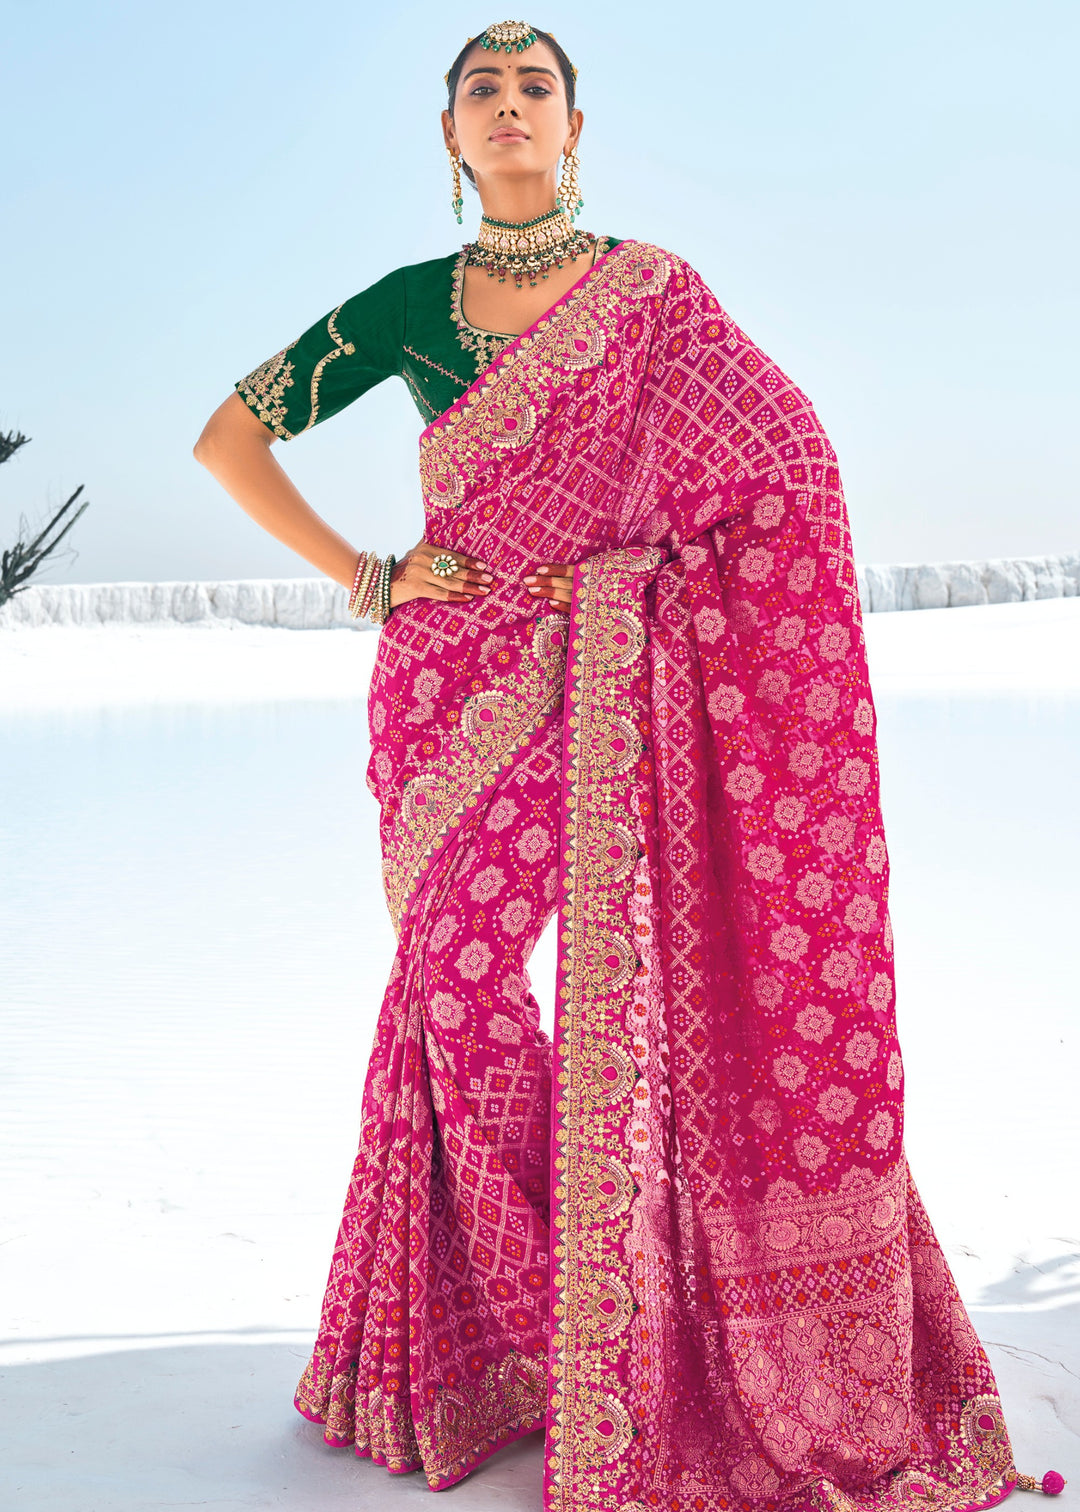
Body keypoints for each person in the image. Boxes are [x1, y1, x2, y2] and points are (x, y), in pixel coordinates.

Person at [193, 21, 1064, 1512]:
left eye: (535, 87)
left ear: (575, 126)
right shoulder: (406, 307)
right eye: (482, 90)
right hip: (444, 687)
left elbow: (789, 469)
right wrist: (370, 576)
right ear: (449, 134)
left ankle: (618, 1308)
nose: (510, 106)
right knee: (454, 982)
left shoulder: (653, 297)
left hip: (600, 677)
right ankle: (551, 1315)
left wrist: (633, 591)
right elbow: (227, 439)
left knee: (543, 989)